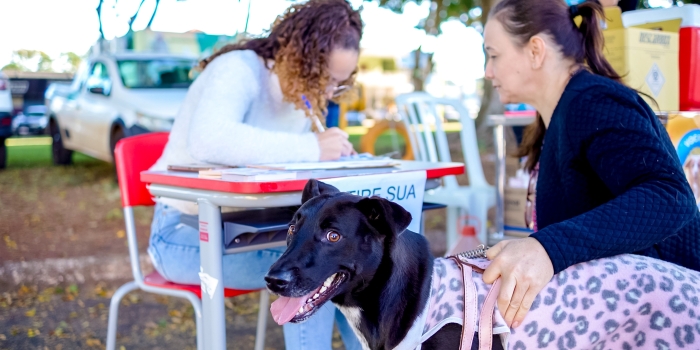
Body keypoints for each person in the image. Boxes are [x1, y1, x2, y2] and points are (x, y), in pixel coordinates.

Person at [146, 1, 363, 349]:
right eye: (325, 78)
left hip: (257, 233)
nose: (327, 93)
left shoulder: (299, 96)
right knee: (318, 270)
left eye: (337, 84)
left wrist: (332, 156)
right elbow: (209, 139)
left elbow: (284, 162)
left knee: (353, 268)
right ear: (302, 58)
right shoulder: (237, 69)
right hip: (182, 235)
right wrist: (312, 147)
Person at [481, 0, 700, 331]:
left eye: (494, 55)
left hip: (673, 319)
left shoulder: (593, 102)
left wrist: (548, 247)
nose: (488, 71)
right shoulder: (558, 115)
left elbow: (671, 198)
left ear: (536, 51)